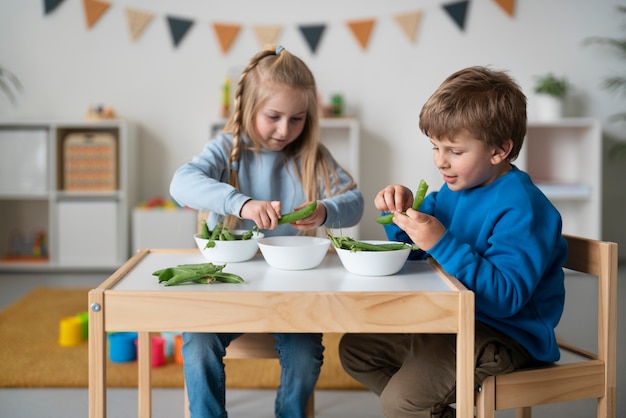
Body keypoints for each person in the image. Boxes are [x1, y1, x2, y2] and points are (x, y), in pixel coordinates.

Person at [339, 66, 568, 418]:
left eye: (454, 151)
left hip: (502, 336)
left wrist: (441, 242)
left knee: (400, 403)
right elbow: (416, 251)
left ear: (499, 150)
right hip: (450, 318)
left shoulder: (523, 207)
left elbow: (506, 297)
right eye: (435, 146)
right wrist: (402, 212)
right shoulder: (454, 189)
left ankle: (413, 406)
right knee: (354, 350)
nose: (440, 161)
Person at [169, 45, 364, 418]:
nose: (284, 129)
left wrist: (326, 210)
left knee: (306, 354)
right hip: (225, 285)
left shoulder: (313, 156)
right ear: (248, 109)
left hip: (293, 291)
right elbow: (181, 184)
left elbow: (354, 201)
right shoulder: (227, 149)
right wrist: (240, 203)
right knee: (196, 345)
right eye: (273, 116)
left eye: (297, 118)